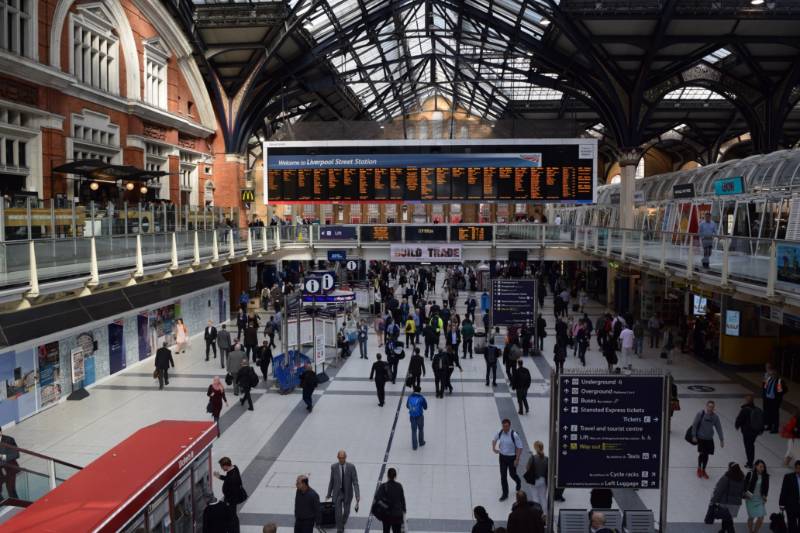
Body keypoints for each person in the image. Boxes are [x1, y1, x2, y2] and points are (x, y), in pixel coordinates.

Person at [325, 450, 360, 533]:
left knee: (347, 512)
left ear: (345, 457)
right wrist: (329, 493)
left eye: (343, 458)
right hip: (337, 493)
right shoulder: (333, 467)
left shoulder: (351, 467)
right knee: (338, 512)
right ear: (337, 458)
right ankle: (340, 529)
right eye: (340, 458)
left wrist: (357, 495)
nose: (341, 460)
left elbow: (355, 482)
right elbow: (332, 481)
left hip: (348, 493)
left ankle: (342, 523)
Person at [691, 400, 724, 479]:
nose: (710, 408)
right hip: (701, 438)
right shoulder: (700, 414)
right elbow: (694, 425)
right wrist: (694, 436)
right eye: (709, 406)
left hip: (709, 439)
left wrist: (721, 440)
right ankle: (699, 468)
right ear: (706, 406)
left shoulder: (715, 417)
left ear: (714, 408)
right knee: (702, 453)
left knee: (706, 455)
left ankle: (703, 469)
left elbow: (719, 428)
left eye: (712, 407)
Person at [493, 419, 523, 501]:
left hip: (511, 457)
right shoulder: (500, 432)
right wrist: (494, 448)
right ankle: (505, 494)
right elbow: (494, 440)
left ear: (509, 426)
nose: (505, 428)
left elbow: (520, 447)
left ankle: (518, 481)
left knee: (512, 474)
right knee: (503, 476)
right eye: (503, 426)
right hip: (502, 457)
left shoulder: (514, 435)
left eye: (506, 426)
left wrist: (517, 459)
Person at [710, 462, 745, 533]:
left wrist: (713, 501)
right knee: (727, 518)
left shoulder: (726, 478)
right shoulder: (742, 479)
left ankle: (729, 531)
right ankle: (723, 530)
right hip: (736, 504)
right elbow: (744, 491)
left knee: (728, 520)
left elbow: (719, 490)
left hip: (726, 503)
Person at [214, 457, 245, 530]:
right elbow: (228, 478)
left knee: (232, 516)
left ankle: (234, 530)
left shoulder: (232, 477)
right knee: (233, 515)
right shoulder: (234, 468)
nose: (222, 468)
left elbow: (232, 487)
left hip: (231, 500)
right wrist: (220, 477)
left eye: (222, 466)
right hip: (231, 499)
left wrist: (227, 502)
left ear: (225, 466)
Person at [735, 393, 764, 468]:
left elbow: (739, 419)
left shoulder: (745, 410)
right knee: (751, 445)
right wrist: (761, 430)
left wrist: (737, 425)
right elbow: (762, 420)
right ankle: (750, 460)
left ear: (746, 400)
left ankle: (750, 462)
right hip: (755, 432)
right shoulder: (758, 409)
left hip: (747, 432)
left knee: (748, 446)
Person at [376, 468, 406, 533]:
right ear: (395, 476)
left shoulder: (383, 486)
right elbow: (402, 500)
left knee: (386, 531)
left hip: (387, 515)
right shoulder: (399, 486)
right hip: (397, 515)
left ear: (387, 476)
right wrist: (403, 511)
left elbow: (377, 498)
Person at [745, 460, 769, 533]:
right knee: (751, 517)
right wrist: (746, 495)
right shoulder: (750, 474)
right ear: (756, 466)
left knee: (761, 518)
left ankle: (756, 531)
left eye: (763, 467)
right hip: (750, 499)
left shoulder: (765, 476)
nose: (762, 468)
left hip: (760, 499)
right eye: (760, 466)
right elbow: (745, 485)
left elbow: (766, 488)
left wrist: (765, 496)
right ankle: (750, 531)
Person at [763, 363, 788, 433]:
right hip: (768, 398)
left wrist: (779, 395)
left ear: (776, 373)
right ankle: (769, 425)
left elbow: (784, 390)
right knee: (769, 412)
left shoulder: (779, 381)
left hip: (775, 400)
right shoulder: (769, 379)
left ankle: (775, 428)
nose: (772, 374)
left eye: (773, 373)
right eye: (771, 373)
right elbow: (765, 387)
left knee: (775, 414)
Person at [525, 440, 548, 508]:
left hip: (534, 480)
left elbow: (527, 468)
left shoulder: (532, 458)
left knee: (535, 497)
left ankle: (537, 513)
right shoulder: (546, 459)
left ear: (535, 448)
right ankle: (545, 514)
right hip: (543, 480)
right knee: (543, 498)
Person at [0, 428, 19, 499]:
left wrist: (2, 457)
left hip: (10, 469)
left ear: (0, 432)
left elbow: (16, 454)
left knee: (11, 490)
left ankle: (17, 505)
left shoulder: (9, 440)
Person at [406, 385, 427, 450]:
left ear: (414, 390)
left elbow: (407, 406)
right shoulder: (421, 398)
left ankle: (414, 446)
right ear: (420, 391)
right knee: (421, 429)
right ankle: (421, 442)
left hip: (412, 416)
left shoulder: (410, 397)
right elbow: (425, 407)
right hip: (419, 416)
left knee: (413, 431)